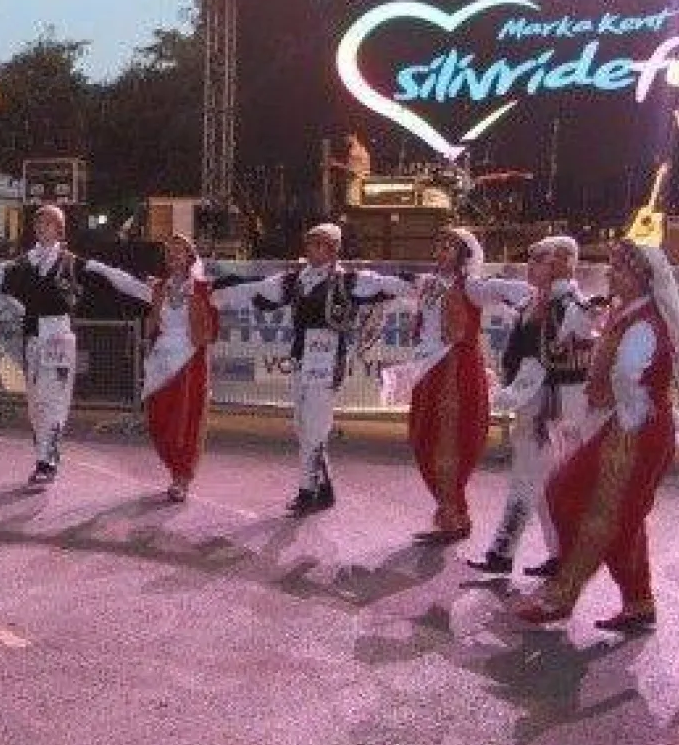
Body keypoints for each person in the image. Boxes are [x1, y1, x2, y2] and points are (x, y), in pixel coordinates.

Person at [515, 240, 679, 632]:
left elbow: (627, 376)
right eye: (612, 268)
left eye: (620, 269)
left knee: (572, 496)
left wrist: (616, 404)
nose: (611, 275)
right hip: (633, 426)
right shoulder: (629, 313)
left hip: (634, 431)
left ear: (642, 278)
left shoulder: (643, 323)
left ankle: (563, 594)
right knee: (621, 516)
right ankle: (638, 605)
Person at [213, 222, 408, 512]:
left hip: (329, 363)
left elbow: (387, 285)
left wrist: (427, 285)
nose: (312, 249)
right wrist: (213, 291)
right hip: (302, 360)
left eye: (319, 244)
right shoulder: (296, 281)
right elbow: (256, 290)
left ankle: (307, 492)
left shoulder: (349, 280)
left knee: (315, 427)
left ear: (333, 249)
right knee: (303, 427)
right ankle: (325, 488)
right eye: (310, 243)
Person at [381, 228, 533, 542]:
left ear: (464, 254)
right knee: (422, 437)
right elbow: (386, 285)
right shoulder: (428, 285)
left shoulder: (473, 287)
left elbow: (509, 290)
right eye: (437, 244)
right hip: (428, 371)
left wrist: (550, 294)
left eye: (448, 246)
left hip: (457, 370)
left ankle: (455, 517)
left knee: (452, 440)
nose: (440, 251)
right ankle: (450, 510)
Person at [468, 236, 596, 575]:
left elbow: (582, 325)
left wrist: (590, 315)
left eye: (539, 260)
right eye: (532, 259)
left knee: (527, 480)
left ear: (561, 264)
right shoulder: (534, 299)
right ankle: (560, 555)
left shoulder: (567, 304)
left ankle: (501, 553)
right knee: (543, 486)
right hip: (537, 406)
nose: (531, 266)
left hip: (550, 409)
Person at [0, 204, 104, 486]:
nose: (41, 227)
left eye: (48, 223)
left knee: (54, 399)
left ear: (60, 228)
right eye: (38, 223)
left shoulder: (71, 262)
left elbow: (112, 277)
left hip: (59, 335)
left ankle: (46, 460)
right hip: (34, 336)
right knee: (36, 402)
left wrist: (150, 292)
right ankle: (46, 452)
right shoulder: (25, 262)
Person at [84, 233, 220, 502]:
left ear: (189, 256)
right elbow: (126, 284)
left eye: (179, 251)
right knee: (158, 422)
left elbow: (228, 305)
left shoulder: (203, 288)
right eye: (169, 252)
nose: (173, 256)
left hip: (190, 360)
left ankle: (181, 477)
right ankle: (175, 468)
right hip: (160, 361)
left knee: (185, 421)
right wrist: (94, 266)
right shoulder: (159, 289)